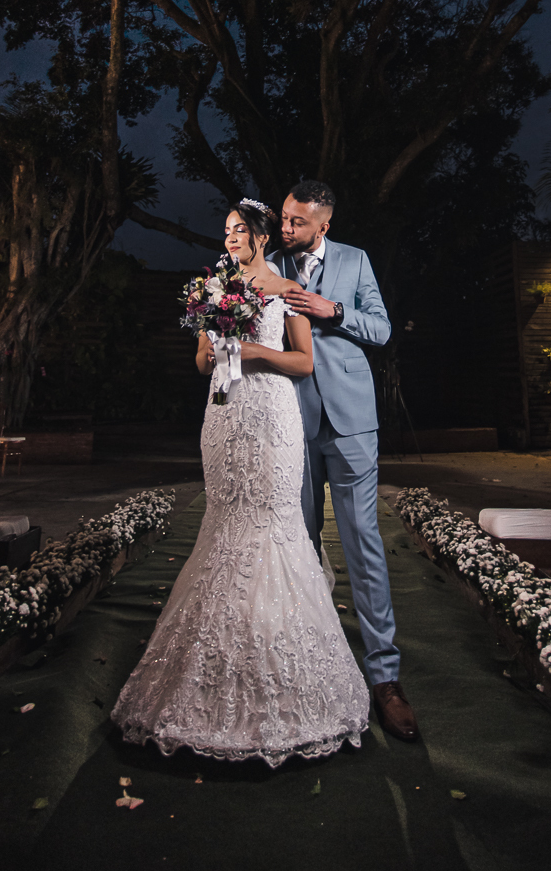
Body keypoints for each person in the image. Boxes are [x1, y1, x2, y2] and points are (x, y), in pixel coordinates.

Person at [111, 199, 369, 767]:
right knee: (225, 522)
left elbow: (304, 362)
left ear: (260, 236)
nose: (230, 238)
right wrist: (215, 348)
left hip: (273, 416)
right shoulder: (213, 289)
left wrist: (251, 350)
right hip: (225, 417)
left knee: (273, 524)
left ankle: (289, 680)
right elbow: (202, 362)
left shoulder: (286, 287)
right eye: (225, 231)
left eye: (239, 230)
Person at [268, 180, 418, 742]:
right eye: (284, 218)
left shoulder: (355, 261)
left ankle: (385, 676)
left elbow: (380, 328)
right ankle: (312, 661)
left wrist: (333, 310)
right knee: (300, 543)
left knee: (363, 543)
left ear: (323, 225)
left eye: (298, 222)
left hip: (352, 419)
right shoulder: (269, 263)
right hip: (291, 419)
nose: (287, 228)